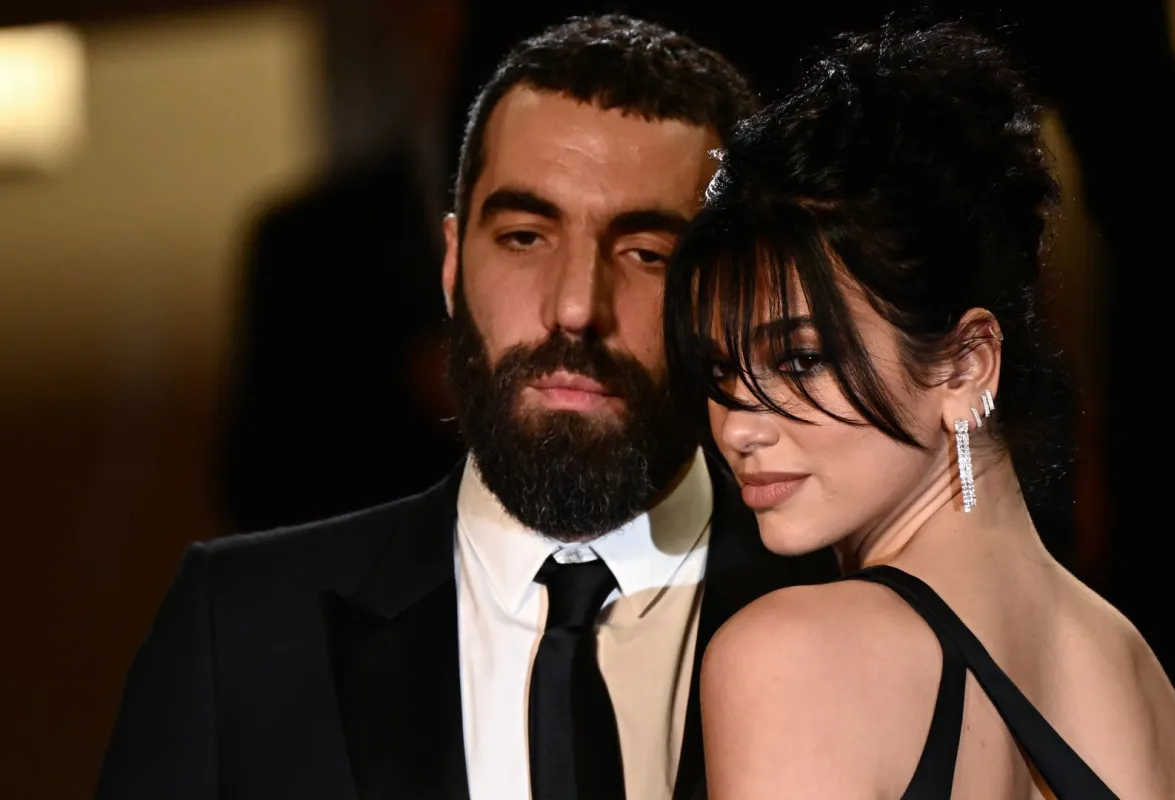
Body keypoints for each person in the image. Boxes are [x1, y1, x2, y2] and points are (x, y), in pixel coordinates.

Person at [95, 15, 838, 800]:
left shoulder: (853, 614)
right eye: (525, 237)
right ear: (452, 265)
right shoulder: (241, 631)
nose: (576, 307)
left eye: (646, 253)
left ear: (733, 291)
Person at [664, 20, 1175, 799]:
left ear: (966, 362)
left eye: (801, 359)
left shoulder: (792, 659)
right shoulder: (1147, 686)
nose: (739, 428)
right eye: (722, 370)